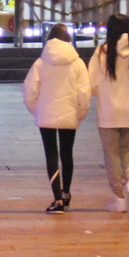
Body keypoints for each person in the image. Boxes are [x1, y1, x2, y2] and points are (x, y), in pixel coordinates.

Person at [88, 14, 129, 213]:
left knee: (112, 154)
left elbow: (92, 83)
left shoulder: (102, 53)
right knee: (128, 149)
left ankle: (118, 198)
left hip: (109, 112)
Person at [22, 23, 90, 214]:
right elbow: (84, 92)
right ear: (68, 39)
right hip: (69, 113)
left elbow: (29, 90)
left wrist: (37, 110)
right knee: (67, 154)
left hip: (46, 114)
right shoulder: (77, 63)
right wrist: (80, 112)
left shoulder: (40, 63)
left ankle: (57, 199)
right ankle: (66, 193)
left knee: (51, 155)